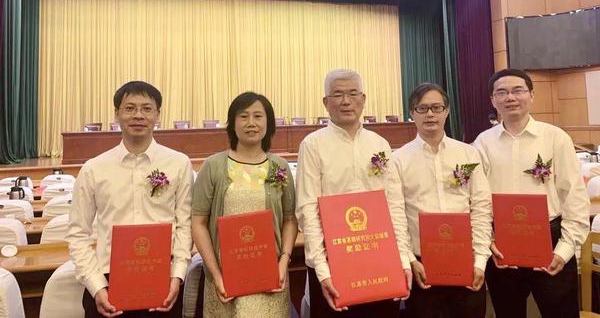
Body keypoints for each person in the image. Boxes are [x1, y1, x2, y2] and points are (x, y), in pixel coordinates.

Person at [66, 81, 193, 318]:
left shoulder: (179, 163)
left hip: (163, 282)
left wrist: (177, 276)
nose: (138, 115)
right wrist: (96, 286)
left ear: (158, 114)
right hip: (107, 283)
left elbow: (185, 225)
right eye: (130, 108)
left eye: (146, 108)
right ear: (117, 113)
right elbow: (77, 233)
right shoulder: (94, 168)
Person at [473, 68, 590, 318]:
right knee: (508, 312)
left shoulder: (555, 138)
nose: (510, 97)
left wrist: (564, 250)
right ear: (492, 100)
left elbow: (574, 197)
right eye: (501, 92)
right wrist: (488, 241)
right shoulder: (482, 142)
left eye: (518, 90)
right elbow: (476, 198)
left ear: (532, 95)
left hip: (551, 239)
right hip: (501, 243)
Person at [295, 68, 411, 318]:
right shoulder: (313, 145)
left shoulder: (379, 144)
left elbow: (394, 206)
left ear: (363, 99)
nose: (346, 101)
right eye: (338, 94)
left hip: (379, 259)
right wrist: (322, 270)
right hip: (334, 264)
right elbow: (307, 210)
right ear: (326, 102)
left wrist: (402, 258)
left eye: (352, 93)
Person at [191, 91, 297, 318]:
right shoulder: (213, 166)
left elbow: (290, 219)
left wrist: (283, 262)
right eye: (243, 116)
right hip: (225, 280)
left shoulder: (280, 167)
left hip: (271, 278)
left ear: (269, 123)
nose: (251, 123)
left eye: (258, 116)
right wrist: (216, 275)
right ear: (232, 123)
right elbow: (198, 222)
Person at [392, 83, 491, 318]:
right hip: (422, 266)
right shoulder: (398, 159)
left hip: (466, 261)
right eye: (422, 108)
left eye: (436, 107)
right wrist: (408, 260)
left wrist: (480, 261)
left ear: (447, 111)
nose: (430, 114)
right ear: (412, 113)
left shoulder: (468, 153)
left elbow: (481, 207)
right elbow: (395, 214)